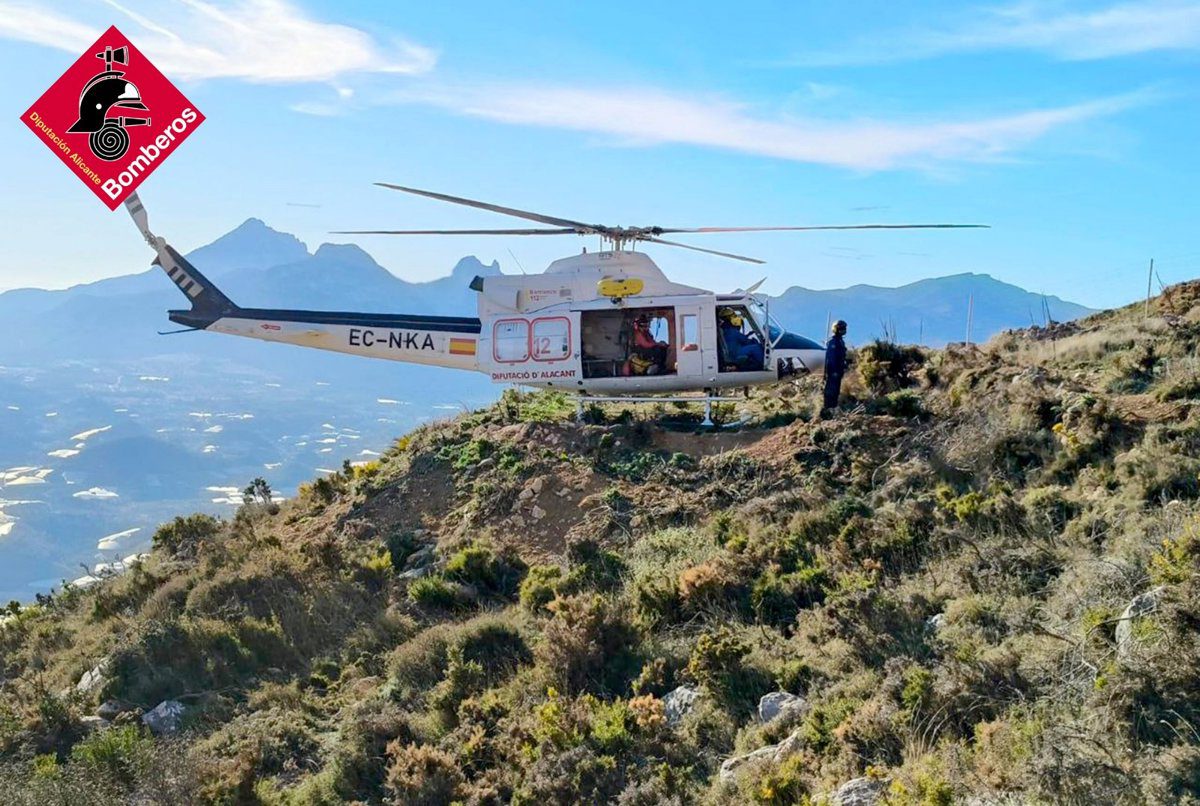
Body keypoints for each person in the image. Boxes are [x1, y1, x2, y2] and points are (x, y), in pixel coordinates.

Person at [823, 320, 848, 412]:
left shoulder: (840, 341)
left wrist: (844, 364)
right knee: (831, 389)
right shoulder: (833, 342)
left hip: (839, 370)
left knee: (836, 390)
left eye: (844, 328)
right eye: (841, 328)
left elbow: (841, 356)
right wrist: (833, 371)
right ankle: (828, 408)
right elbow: (831, 357)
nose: (844, 330)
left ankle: (833, 407)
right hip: (833, 370)